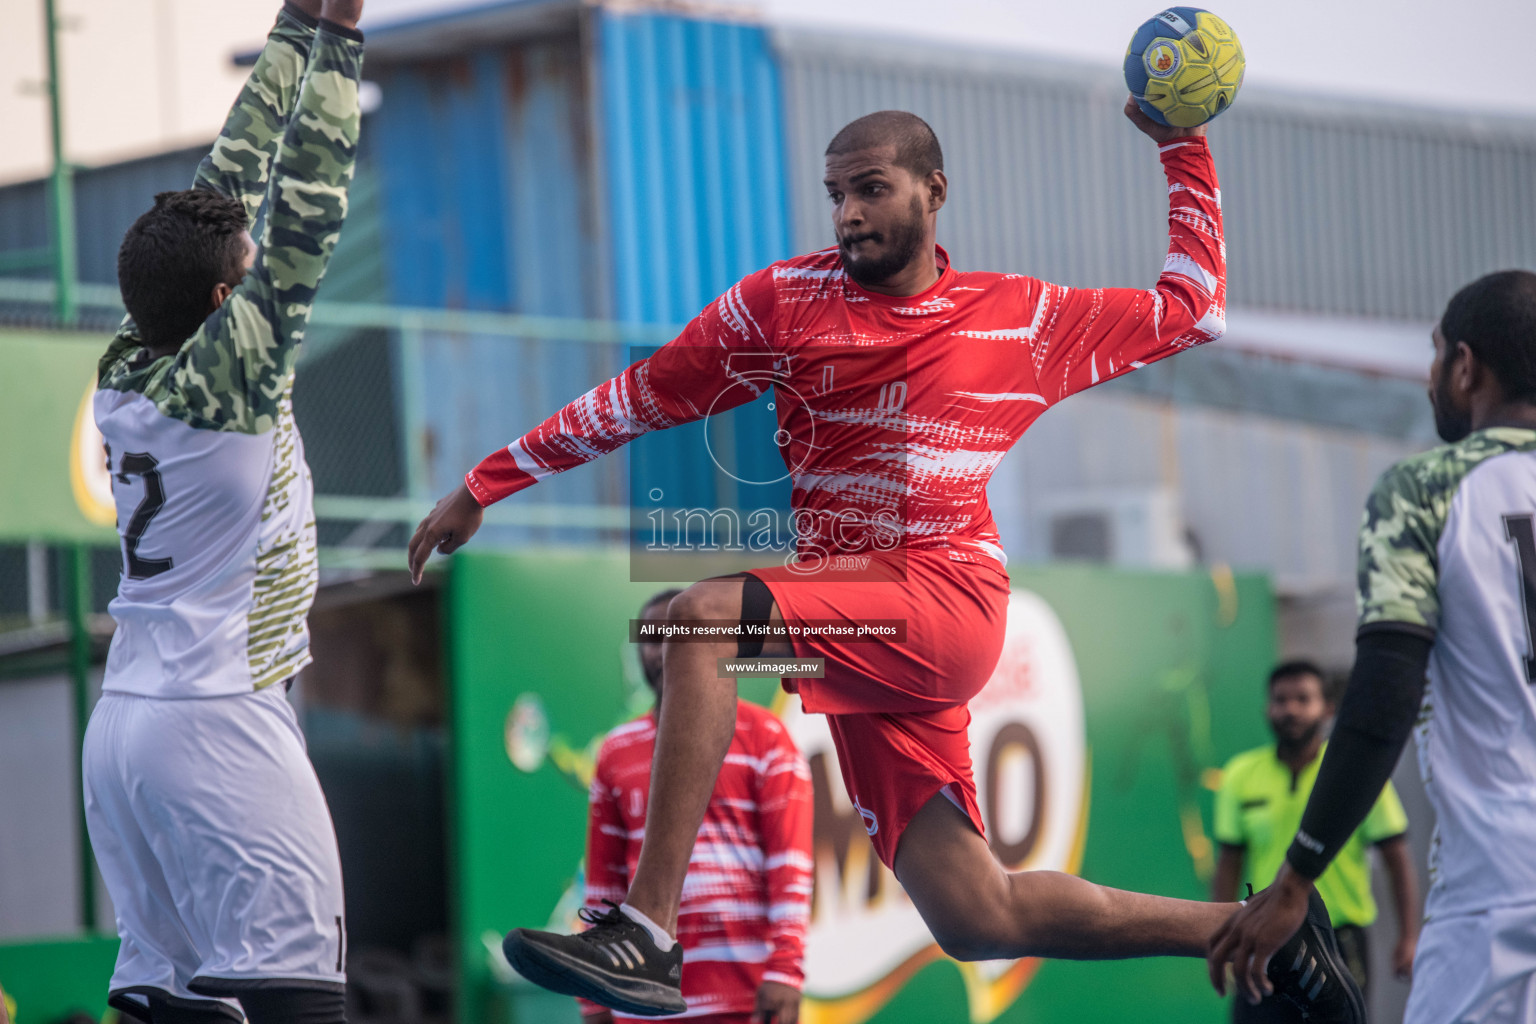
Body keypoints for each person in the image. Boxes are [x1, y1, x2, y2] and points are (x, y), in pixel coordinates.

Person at [409, 102, 1363, 1022]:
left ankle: (647, 937)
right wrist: (488, 482)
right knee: (974, 915)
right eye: (834, 194)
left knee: (691, 624)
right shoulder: (781, 303)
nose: (849, 214)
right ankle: (1256, 935)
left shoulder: (1016, 318)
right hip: (859, 620)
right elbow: (641, 396)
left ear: (933, 191)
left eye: (870, 189)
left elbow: (1191, 309)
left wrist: (1184, 149)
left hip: (945, 600)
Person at [82, 3, 364, 1021]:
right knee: (297, 998)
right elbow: (308, 206)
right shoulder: (233, 376)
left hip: (122, 731)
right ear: (222, 307)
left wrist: (297, 24)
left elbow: (228, 192)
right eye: (243, 283)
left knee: (167, 993)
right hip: (216, 720)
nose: (260, 285)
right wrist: (342, 43)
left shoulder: (132, 353)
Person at [1208, 270, 1536, 1022]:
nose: (1428, 379)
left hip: (1502, 887)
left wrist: (1296, 878)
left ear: (1465, 364)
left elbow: (1384, 694)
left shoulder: (1427, 489)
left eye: (1433, 358)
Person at [579, 590, 813, 1024]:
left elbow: (790, 867)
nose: (668, 650)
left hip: (745, 996)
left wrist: (786, 969)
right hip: (642, 998)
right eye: (655, 638)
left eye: (681, 637)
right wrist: (595, 995)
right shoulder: (615, 752)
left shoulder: (766, 736)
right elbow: (603, 885)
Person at [1212, 660, 1418, 1020]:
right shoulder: (1239, 775)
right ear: (1267, 708)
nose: (1290, 709)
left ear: (1327, 708)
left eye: (1303, 699)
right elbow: (1228, 863)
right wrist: (1220, 931)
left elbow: (1396, 857)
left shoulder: (1356, 775)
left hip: (1339, 940)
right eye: (1281, 699)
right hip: (1262, 936)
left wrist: (1409, 937)